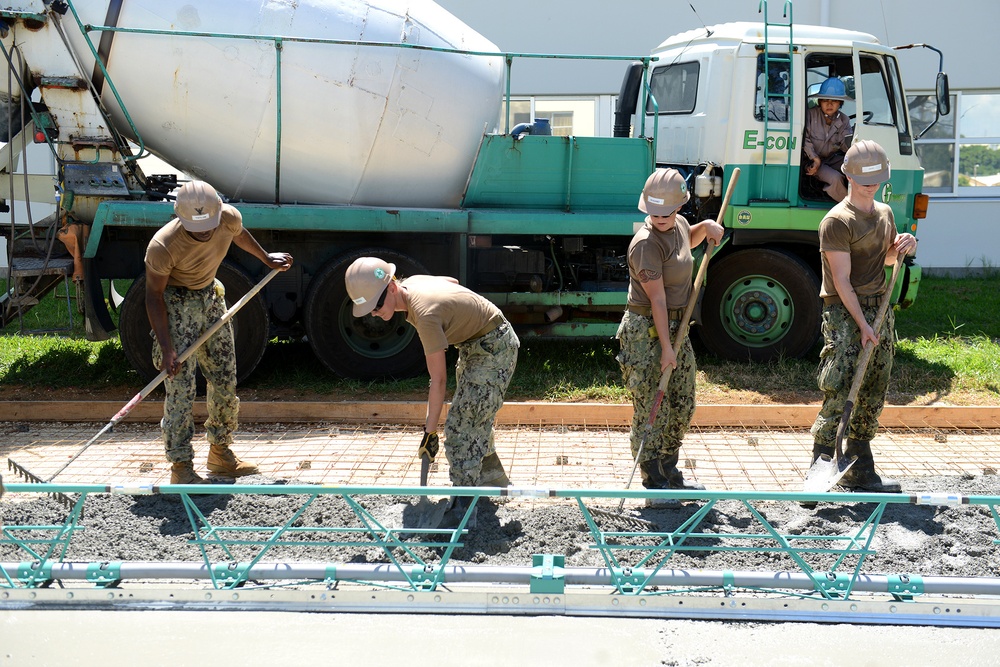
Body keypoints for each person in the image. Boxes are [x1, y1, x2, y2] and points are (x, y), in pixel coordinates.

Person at [345, 256, 519, 528]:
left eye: (376, 305)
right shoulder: (413, 283)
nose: (374, 313)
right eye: (368, 309)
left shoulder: (424, 314)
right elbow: (452, 283)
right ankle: (491, 477)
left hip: (494, 348)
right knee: (473, 412)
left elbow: (438, 380)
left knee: (462, 427)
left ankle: (464, 510)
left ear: (392, 287)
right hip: (476, 344)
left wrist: (430, 432)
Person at [145, 180, 293, 484]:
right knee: (181, 388)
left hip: (211, 298)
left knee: (225, 377)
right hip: (175, 305)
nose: (205, 233)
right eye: (197, 229)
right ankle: (181, 467)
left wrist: (267, 258)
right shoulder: (162, 246)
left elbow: (239, 235)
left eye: (209, 226)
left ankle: (220, 454)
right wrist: (167, 347)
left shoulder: (227, 217)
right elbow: (153, 296)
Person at [808, 140, 917, 492]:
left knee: (873, 386)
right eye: (863, 178)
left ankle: (859, 467)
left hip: (878, 308)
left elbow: (884, 259)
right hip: (844, 312)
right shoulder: (836, 222)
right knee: (840, 386)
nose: (869, 184)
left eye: (875, 178)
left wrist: (902, 246)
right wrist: (863, 325)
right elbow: (841, 280)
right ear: (849, 177)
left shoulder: (884, 213)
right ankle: (820, 467)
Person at [616, 168, 724, 504]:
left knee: (682, 401)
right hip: (647, 330)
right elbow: (658, 300)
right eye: (654, 213)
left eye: (667, 212)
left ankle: (670, 472)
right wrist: (665, 348)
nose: (661, 219)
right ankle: (653, 481)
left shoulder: (676, 224)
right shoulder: (645, 245)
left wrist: (706, 228)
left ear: (678, 208)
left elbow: (684, 241)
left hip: (677, 327)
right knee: (652, 405)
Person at [803, 76, 854, 202]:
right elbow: (805, 139)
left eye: (834, 101)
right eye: (825, 100)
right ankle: (850, 208)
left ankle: (864, 201)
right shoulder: (810, 115)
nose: (829, 104)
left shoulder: (844, 120)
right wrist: (815, 159)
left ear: (840, 103)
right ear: (819, 101)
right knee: (835, 178)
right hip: (810, 160)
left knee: (855, 168)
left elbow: (847, 145)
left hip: (830, 159)